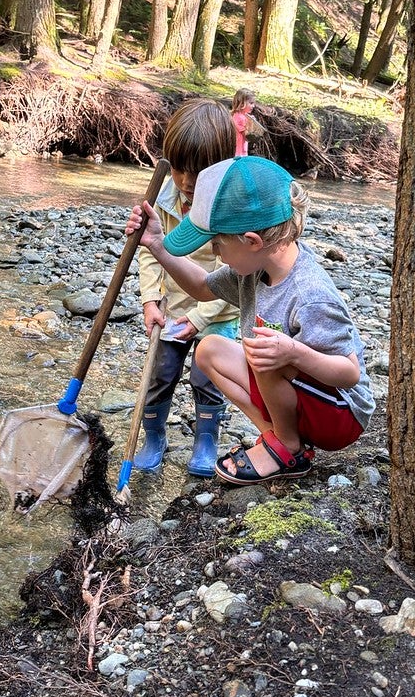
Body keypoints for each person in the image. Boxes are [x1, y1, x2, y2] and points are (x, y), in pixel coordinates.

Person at [126, 156, 375, 485]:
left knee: (263, 350)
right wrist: (157, 245)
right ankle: (278, 439)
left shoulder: (310, 293)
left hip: (340, 414)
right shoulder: (255, 269)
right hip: (299, 390)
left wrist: (293, 353)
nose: (215, 253)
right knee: (209, 350)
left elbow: (349, 374)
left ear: (252, 241)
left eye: (216, 243)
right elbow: (202, 288)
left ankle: (286, 448)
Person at [132, 99, 239, 477]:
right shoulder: (163, 198)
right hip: (174, 307)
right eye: (179, 170)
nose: (187, 183)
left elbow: (235, 278)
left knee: (206, 378)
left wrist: (199, 317)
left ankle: (206, 440)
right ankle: (153, 436)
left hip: (220, 311)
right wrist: (150, 300)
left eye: (199, 172)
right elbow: (150, 253)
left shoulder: (230, 206)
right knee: (160, 373)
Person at [231, 88, 256, 157]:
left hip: (240, 149)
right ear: (242, 104)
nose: (253, 106)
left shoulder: (240, 115)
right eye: (251, 103)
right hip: (239, 152)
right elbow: (247, 136)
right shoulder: (240, 118)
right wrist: (252, 123)